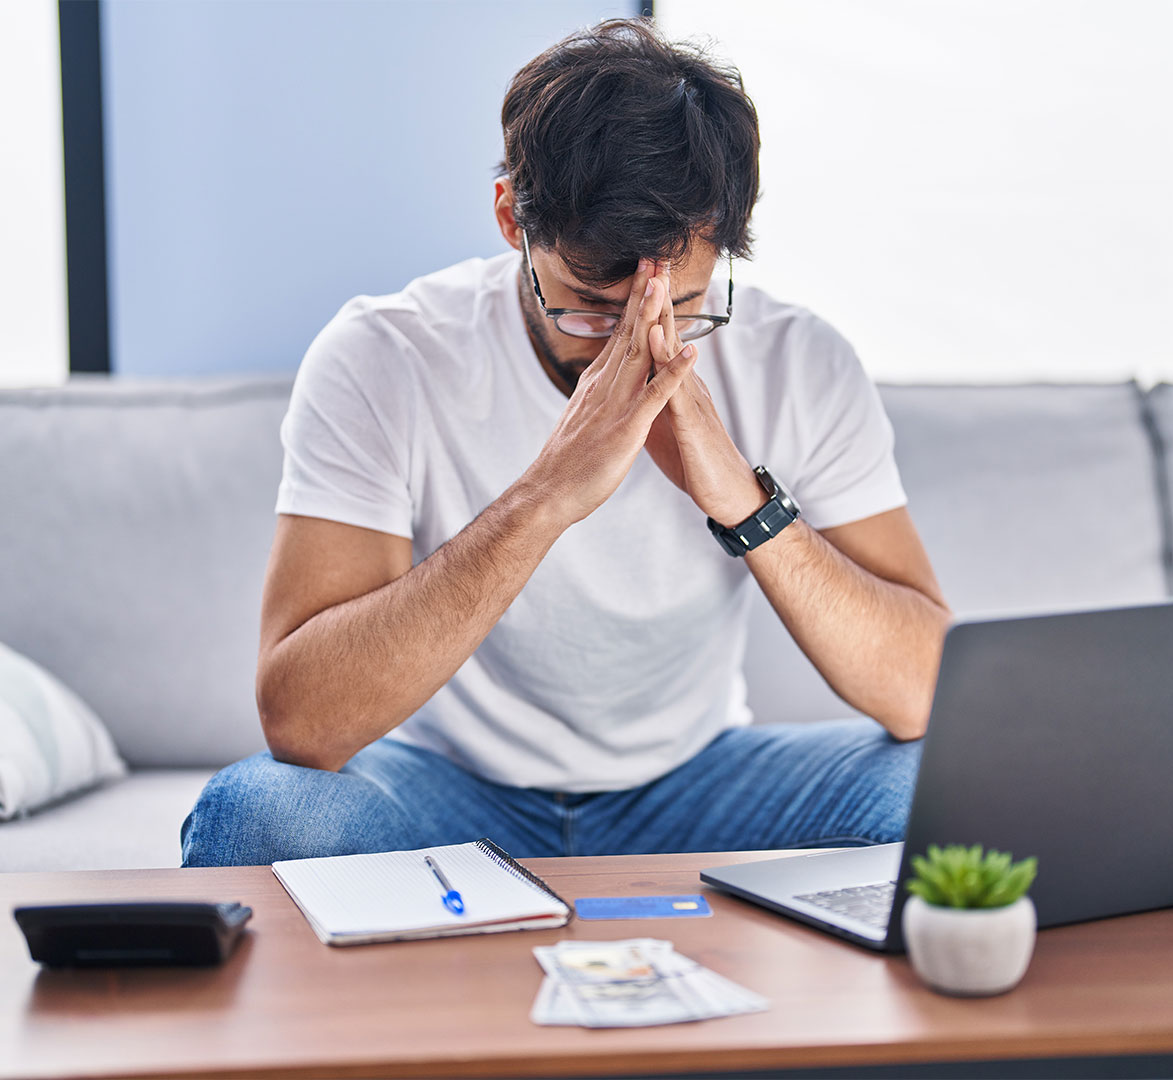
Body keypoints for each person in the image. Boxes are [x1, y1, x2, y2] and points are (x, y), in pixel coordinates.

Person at [180, 18, 949, 867]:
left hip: (697, 781)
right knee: (255, 814)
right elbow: (302, 723)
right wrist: (545, 495)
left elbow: (923, 694)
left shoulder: (799, 360)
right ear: (513, 218)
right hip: (447, 789)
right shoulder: (383, 355)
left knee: (939, 792)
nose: (640, 341)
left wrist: (743, 501)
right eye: (590, 302)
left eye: (683, 301)